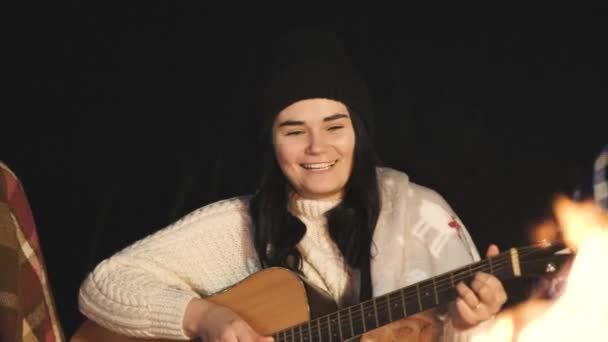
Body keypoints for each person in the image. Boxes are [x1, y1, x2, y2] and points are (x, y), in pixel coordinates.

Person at [78, 28, 507, 341]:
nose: (317, 148)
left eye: (334, 126)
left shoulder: (422, 215)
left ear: (360, 132)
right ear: (272, 141)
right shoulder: (237, 226)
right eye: (294, 130)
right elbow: (105, 285)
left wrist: (472, 323)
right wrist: (204, 319)